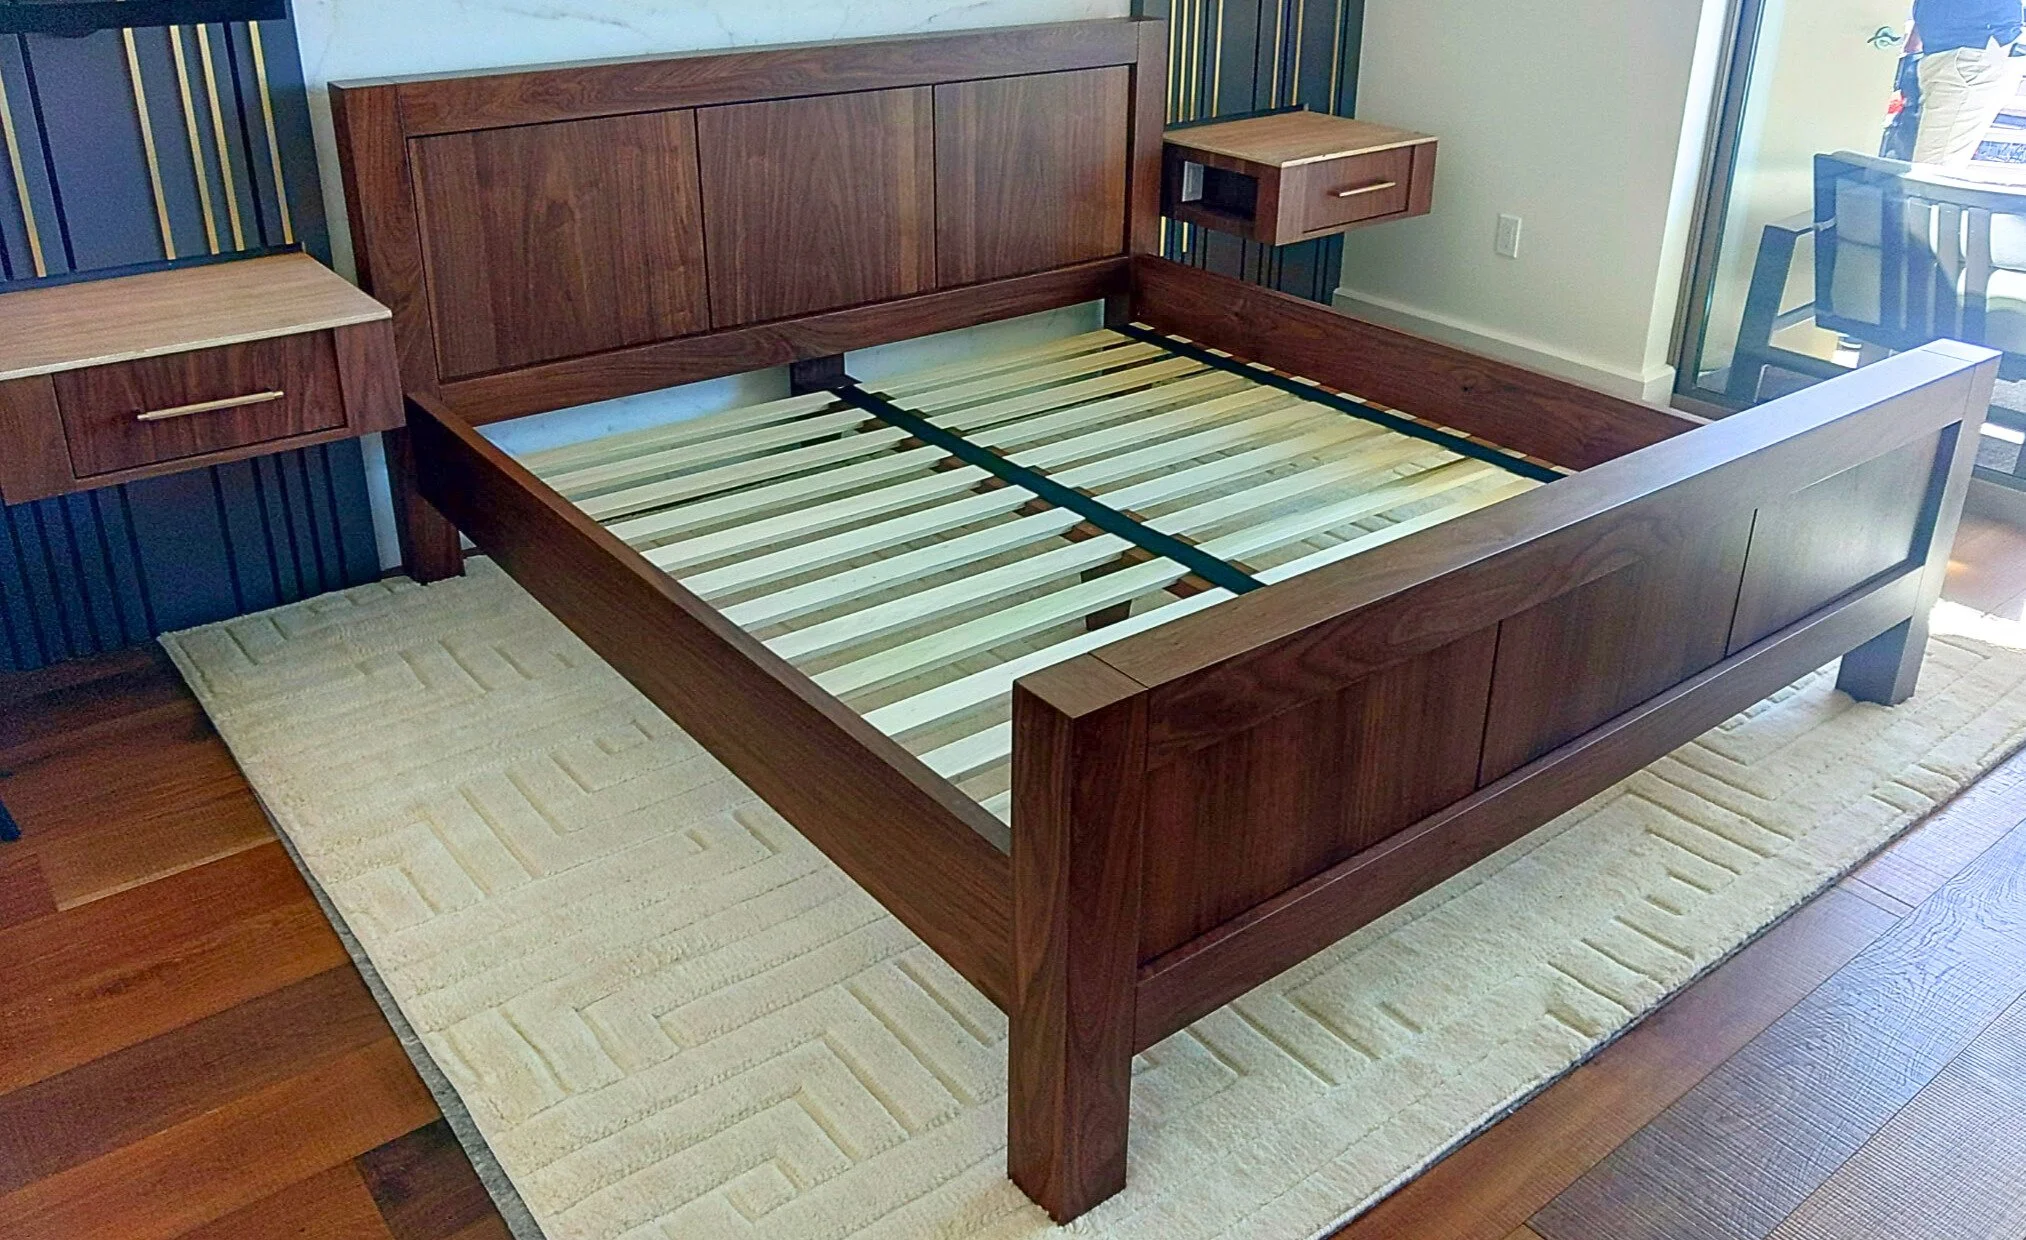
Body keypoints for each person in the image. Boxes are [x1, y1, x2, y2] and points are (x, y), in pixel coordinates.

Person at [1912, 0, 2026, 167]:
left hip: (1973, 58)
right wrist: (1918, 30)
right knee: (1929, 164)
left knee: (1931, 170)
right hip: (1958, 52)